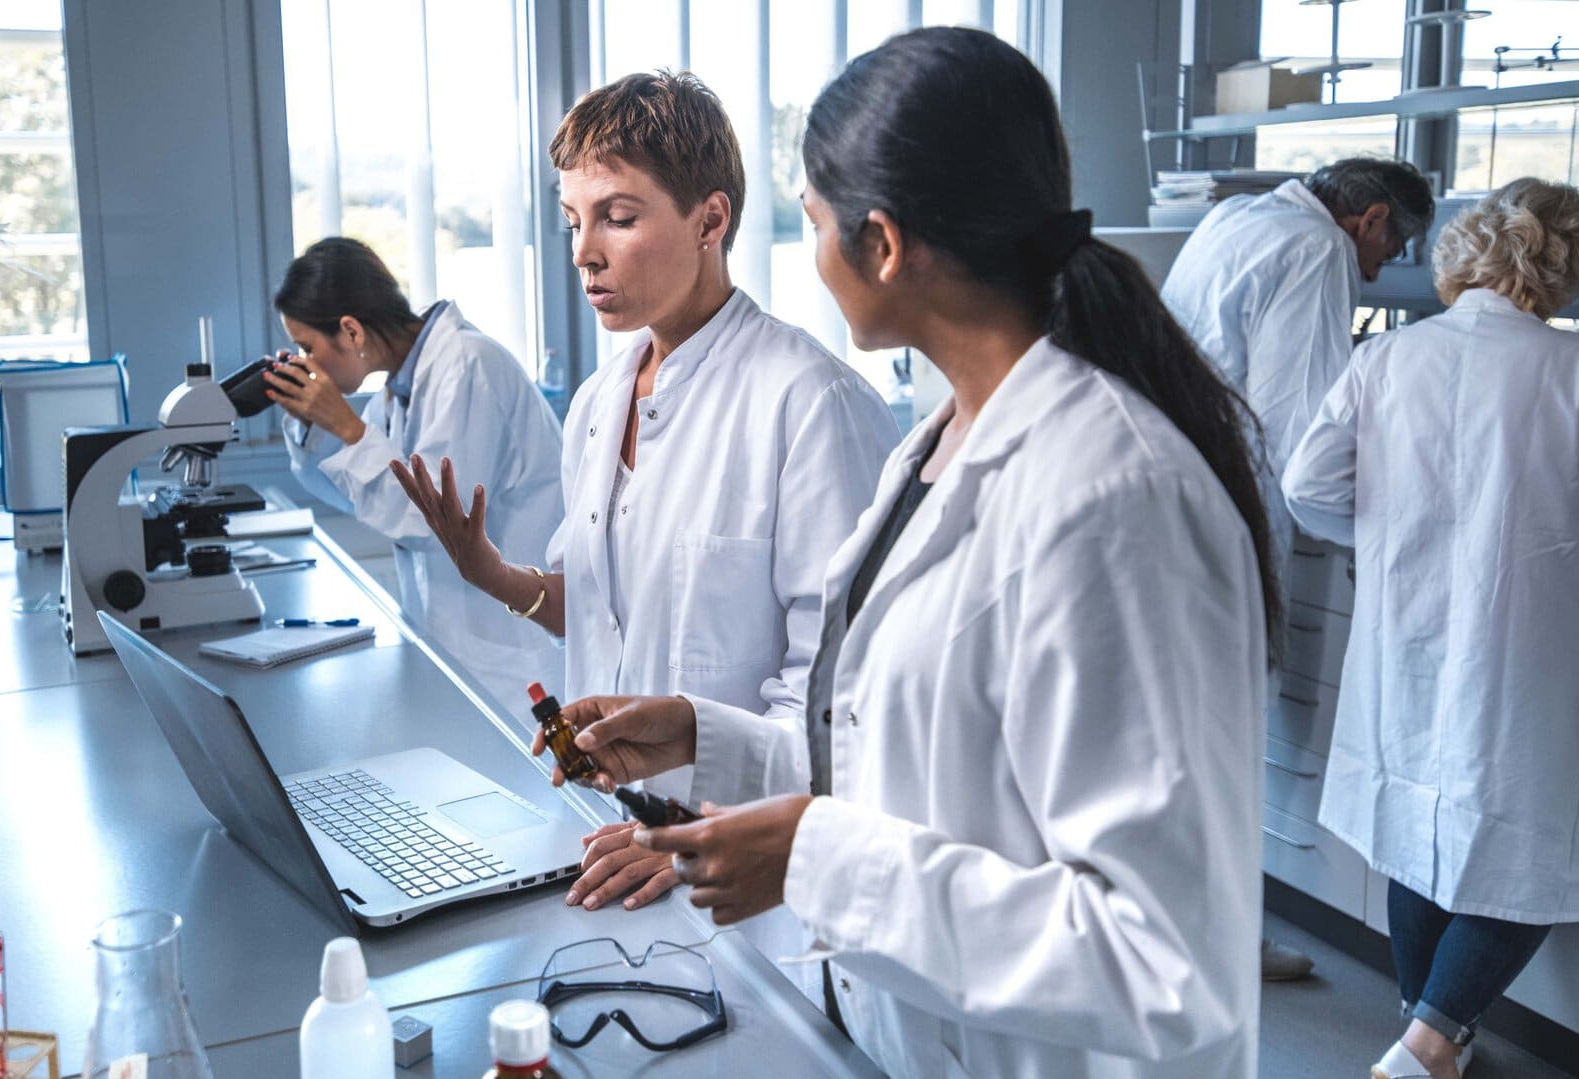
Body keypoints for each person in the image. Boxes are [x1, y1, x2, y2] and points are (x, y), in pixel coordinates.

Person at [532, 28, 1281, 1078]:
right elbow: (899, 756)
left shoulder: (1115, 496)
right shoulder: (937, 450)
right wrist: (710, 737)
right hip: (891, 1026)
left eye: (812, 216)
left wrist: (818, 860)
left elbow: (1168, 964)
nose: (808, 245)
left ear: (880, 243)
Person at [390, 72, 896, 944]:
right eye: (572, 220)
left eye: (618, 217)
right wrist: (496, 576)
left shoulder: (809, 403)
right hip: (603, 845)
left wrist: (696, 832)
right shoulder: (597, 400)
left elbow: (838, 700)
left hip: (739, 885)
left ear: (711, 220)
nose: (585, 250)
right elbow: (597, 603)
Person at [1282, 178, 1579, 1079]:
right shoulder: (1567, 371)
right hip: (1526, 638)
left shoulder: (1390, 359)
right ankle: (1431, 1041)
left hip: (1404, 624)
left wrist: (1379, 535)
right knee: (1532, 832)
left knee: (1414, 810)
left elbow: (1308, 487)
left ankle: (1427, 1023)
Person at [1162, 156, 1434, 982]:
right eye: (1396, 245)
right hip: (1229, 515)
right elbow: (1298, 430)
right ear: (1372, 217)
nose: (1386, 267)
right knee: (1222, 740)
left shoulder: (1237, 217)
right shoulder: (1318, 251)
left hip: (1173, 495)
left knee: (1178, 736)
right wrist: (1366, 534)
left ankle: (1181, 937)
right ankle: (1223, 949)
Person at [266, 237, 564, 718]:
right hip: (458, 644)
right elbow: (354, 495)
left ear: (350, 331)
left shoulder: (468, 366)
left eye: (308, 346)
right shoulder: (399, 389)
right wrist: (315, 423)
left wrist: (347, 425)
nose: (306, 362)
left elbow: (434, 522)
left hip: (510, 651)